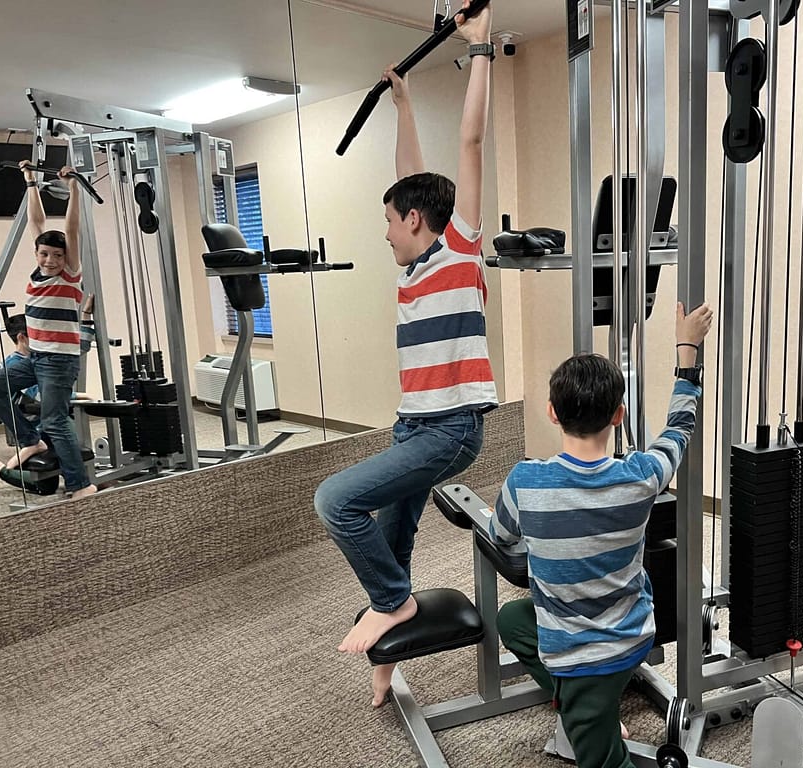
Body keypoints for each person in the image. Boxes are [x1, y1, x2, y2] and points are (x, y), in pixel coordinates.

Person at [313, 0, 497, 707]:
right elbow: (410, 175)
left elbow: (472, 145)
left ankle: (391, 603)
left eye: (390, 221)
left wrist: (479, 51)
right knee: (393, 539)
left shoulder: (459, 251)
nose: (386, 231)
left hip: (452, 427)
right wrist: (404, 103)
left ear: (416, 222)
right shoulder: (414, 268)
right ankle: (389, 654)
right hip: (412, 424)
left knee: (335, 502)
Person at [488, 301, 714, 768]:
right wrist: (686, 349)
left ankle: (589, 711)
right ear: (619, 415)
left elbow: (502, 537)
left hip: (585, 654)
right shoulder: (642, 476)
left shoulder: (524, 482)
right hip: (632, 633)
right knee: (513, 621)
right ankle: (580, 705)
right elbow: (680, 427)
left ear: (552, 413)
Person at [0, 161, 97, 499]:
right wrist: (30, 180)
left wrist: (75, 190)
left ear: (67, 259)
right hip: (34, 356)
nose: (50, 260)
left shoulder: (69, 275)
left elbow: (72, 228)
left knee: (54, 420)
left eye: (57, 255)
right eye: (45, 253)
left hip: (58, 362)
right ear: (37, 253)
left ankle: (82, 485)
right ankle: (29, 440)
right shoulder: (38, 272)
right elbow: (36, 222)